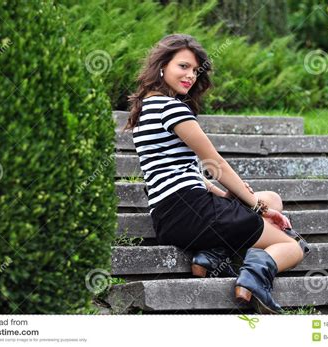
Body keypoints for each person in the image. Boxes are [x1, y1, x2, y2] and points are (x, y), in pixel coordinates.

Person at [122, 33, 305, 314]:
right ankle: (253, 278)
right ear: (162, 66)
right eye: (183, 66)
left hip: (168, 218)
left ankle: (210, 254)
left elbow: (185, 172)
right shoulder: (171, 108)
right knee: (292, 247)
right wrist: (255, 206)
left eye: (195, 70)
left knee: (271, 197)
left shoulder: (144, 110)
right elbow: (213, 162)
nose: (190, 76)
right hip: (193, 210)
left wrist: (229, 196)